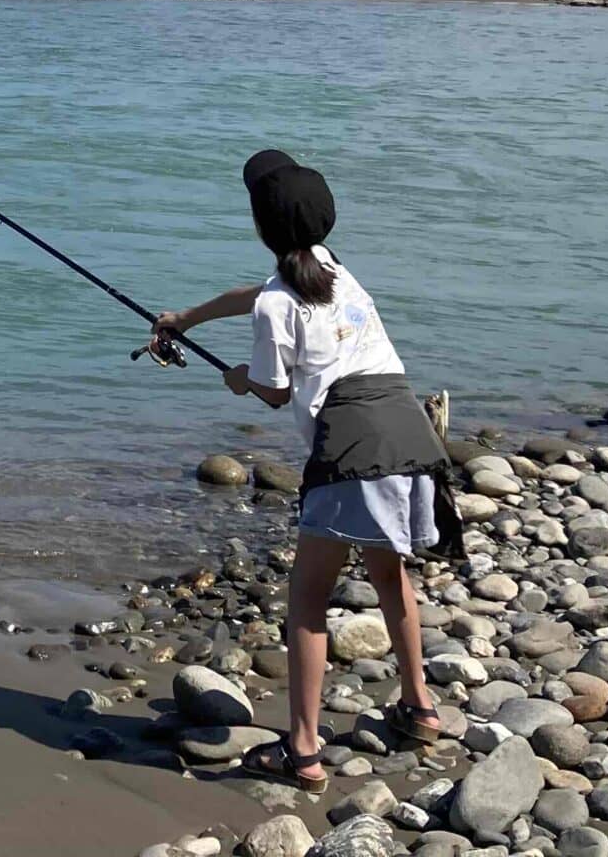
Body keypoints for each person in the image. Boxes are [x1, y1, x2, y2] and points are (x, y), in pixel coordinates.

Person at [147, 150, 455, 793]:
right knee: (389, 575)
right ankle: (420, 707)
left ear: (261, 226)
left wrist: (239, 379)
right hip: (408, 430)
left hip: (352, 446)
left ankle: (305, 750)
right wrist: (189, 317)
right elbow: (265, 296)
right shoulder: (334, 268)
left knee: (309, 598)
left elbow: (274, 391)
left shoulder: (276, 303)